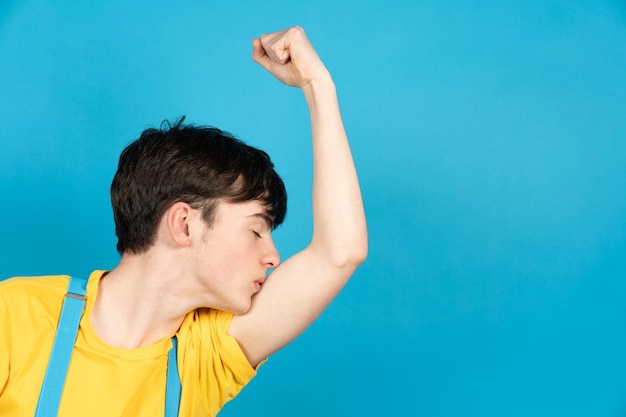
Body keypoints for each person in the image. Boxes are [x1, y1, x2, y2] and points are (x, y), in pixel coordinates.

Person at [0, 26, 367, 417]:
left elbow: (340, 252)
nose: (273, 256)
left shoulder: (204, 355)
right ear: (184, 225)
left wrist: (317, 86)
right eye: (257, 230)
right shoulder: (15, 315)